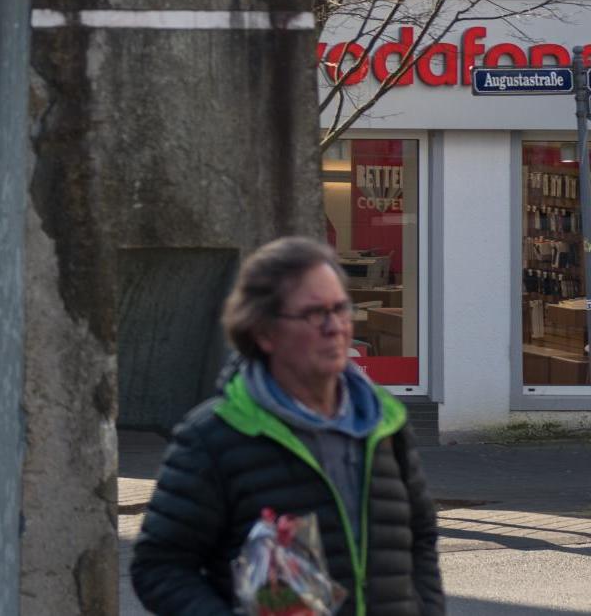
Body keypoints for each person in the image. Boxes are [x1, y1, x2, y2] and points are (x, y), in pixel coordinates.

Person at [132, 236, 445, 616]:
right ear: (264, 332)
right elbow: (159, 567)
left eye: (341, 308)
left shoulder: (384, 421)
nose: (336, 327)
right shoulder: (213, 436)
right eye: (315, 313)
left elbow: (420, 536)